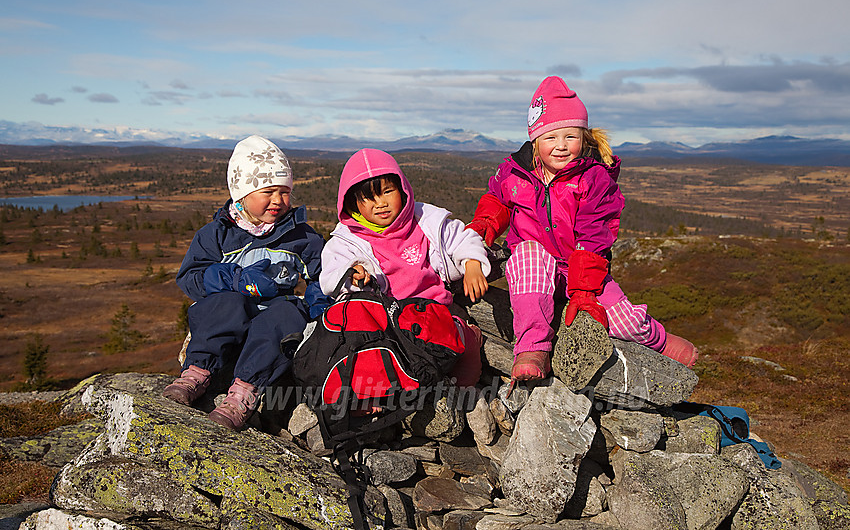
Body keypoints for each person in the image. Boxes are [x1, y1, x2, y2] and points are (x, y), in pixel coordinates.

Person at [466, 76, 698, 381]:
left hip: (582, 263)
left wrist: (584, 292)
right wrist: (485, 224)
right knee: (527, 255)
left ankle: (658, 338)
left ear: (584, 137)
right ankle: (532, 349)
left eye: (570, 137)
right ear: (535, 140)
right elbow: (498, 199)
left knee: (623, 321)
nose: (561, 146)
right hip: (536, 263)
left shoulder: (593, 178)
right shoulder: (516, 171)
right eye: (551, 138)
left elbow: (593, 238)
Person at [164, 135, 330, 429]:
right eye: (268, 191)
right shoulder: (217, 234)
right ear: (241, 193)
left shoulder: (301, 237)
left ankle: (242, 394)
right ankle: (196, 372)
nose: (278, 201)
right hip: (227, 312)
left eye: (285, 191)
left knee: (289, 313)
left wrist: (320, 303)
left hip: (272, 311)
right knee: (226, 302)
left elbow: (321, 275)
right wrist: (234, 278)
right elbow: (190, 278)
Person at [320, 148, 490, 387]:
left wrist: (472, 264)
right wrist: (351, 274)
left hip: (435, 309)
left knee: (462, 373)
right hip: (389, 319)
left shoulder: (425, 220)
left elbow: (462, 237)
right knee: (377, 353)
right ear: (353, 203)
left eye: (387, 192)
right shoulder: (347, 239)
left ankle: (468, 339)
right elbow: (330, 276)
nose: (380, 203)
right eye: (369, 198)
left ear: (402, 189)